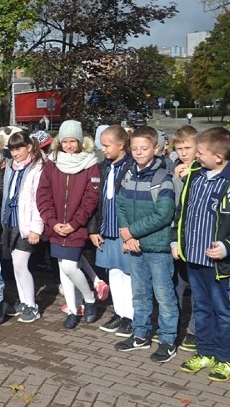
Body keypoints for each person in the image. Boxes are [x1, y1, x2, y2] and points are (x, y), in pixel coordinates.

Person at [171, 127, 230, 381]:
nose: (195, 157)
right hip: (193, 256)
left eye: (200, 152)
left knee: (223, 311)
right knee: (200, 308)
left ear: (218, 156)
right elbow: (182, 210)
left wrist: (227, 246)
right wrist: (176, 241)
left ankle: (225, 358)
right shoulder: (195, 174)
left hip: (221, 264)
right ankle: (205, 352)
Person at [112, 126, 179, 363]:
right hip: (135, 247)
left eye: (144, 148)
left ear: (156, 148)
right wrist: (128, 237)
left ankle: (168, 340)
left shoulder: (164, 178)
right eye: (135, 148)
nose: (139, 152)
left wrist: (132, 232)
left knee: (164, 296)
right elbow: (120, 205)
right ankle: (140, 334)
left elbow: (163, 215)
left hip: (158, 249)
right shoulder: (129, 174)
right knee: (139, 294)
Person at [36, 119, 100, 329]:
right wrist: (52, 222)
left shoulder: (90, 164)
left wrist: (75, 223)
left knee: (71, 266)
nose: (70, 145)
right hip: (55, 226)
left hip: (76, 227)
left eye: (74, 141)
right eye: (66, 141)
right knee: (63, 268)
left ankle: (89, 298)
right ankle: (72, 309)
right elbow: (43, 194)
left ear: (80, 141)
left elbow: (91, 198)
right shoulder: (52, 164)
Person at [88, 125, 134, 338]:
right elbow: (96, 202)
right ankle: (119, 311)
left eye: (106, 146)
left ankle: (131, 317)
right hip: (107, 229)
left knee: (128, 273)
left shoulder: (132, 167)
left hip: (125, 231)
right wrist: (94, 229)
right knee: (113, 273)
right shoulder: (102, 167)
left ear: (121, 145)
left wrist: (132, 233)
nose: (103, 149)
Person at [0, 130, 47, 323]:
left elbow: (38, 199)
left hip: (27, 221)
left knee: (21, 263)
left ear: (29, 147)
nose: (15, 153)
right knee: (15, 263)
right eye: (12, 149)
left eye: (19, 148)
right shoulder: (11, 166)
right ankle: (24, 301)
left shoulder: (38, 167)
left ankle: (32, 306)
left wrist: (37, 228)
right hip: (11, 219)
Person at [171, 124, 200, 350]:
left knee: (198, 288)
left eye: (188, 147)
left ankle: (194, 330)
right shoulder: (174, 168)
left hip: (197, 237)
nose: (183, 152)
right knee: (177, 284)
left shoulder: (202, 170)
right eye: (179, 148)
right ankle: (176, 325)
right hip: (177, 236)